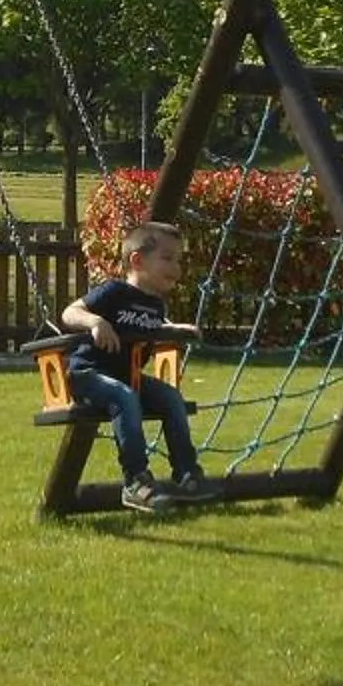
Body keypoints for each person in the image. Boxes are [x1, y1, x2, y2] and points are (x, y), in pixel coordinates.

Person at [59, 219, 217, 511]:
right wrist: (96, 322)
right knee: (124, 396)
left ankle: (187, 475)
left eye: (178, 260)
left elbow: (152, 326)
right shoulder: (114, 292)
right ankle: (136, 481)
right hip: (88, 374)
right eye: (167, 258)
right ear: (137, 260)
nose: (176, 267)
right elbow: (70, 313)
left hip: (126, 376)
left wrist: (175, 328)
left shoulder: (156, 305)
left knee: (171, 397)